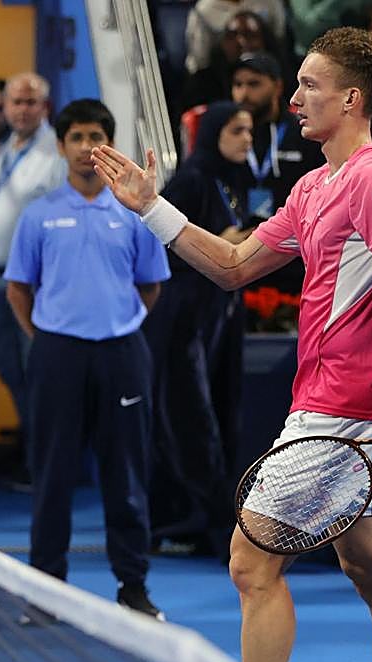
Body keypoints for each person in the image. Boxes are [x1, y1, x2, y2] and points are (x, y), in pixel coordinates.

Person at [93, 26, 372, 662]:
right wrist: (152, 209)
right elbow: (234, 266)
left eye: (309, 85)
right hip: (338, 409)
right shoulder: (315, 187)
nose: (293, 99)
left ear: (351, 98)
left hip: (342, 414)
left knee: (252, 565)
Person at [5, 98, 170, 621]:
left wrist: (117, 324)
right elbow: (18, 289)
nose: (85, 147)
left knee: (127, 475)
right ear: (60, 146)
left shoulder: (136, 214)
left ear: (109, 145)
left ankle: (133, 588)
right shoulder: (37, 215)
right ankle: (46, 590)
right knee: (52, 475)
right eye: (75, 137)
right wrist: (48, 337)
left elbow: (150, 286)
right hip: (57, 355)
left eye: (95, 137)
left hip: (123, 354)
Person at [144, 102, 253, 556]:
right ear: (213, 133)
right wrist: (218, 247)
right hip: (182, 318)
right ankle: (186, 518)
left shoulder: (234, 179)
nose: (247, 139)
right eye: (237, 130)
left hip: (217, 313)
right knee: (186, 417)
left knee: (217, 411)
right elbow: (155, 241)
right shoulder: (191, 179)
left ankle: (207, 517)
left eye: (249, 130)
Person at [0, 72, 65, 487]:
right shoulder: (3, 148)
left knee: (39, 372)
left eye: (31, 102)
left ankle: (45, 462)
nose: (22, 110)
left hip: (36, 284)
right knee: (9, 367)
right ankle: (31, 446)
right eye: (16, 102)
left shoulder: (55, 153)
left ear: (44, 107)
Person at [230, 50, 322, 294]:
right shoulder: (226, 134)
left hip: (293, 256)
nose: (243, 93)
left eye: (254, 84)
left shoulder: (304, 131)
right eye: (238, 85)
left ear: (278, 86)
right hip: (241, 252)